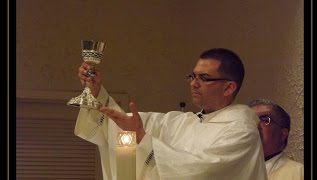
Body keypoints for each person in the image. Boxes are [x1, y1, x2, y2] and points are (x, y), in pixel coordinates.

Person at [74, 48, 267, 180]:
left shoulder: (241, 131)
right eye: (193, 76)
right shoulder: (186, 122)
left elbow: (203, 171)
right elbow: (129, 123)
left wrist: (143, 139)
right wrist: (96, 91)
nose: (194, 83)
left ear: (228, 88)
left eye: (204, 78)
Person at [249, 99, 304, 180]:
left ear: (283, 134)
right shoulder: (232, 170)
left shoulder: (299, 174)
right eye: (250, 120)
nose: (255, 124)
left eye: (264, 120)